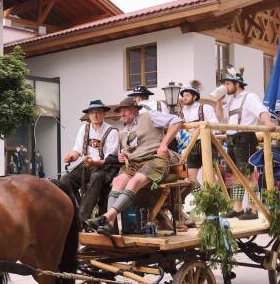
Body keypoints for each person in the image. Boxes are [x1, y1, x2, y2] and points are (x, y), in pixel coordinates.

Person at [87, 97, 183, 235]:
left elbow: (177, 121)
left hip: (154, 159)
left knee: (134, 182)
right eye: (120, 112)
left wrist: (164, 144)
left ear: (135, 111)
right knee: (117, 181)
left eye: (125, 111)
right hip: (135, 162)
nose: (122, 115)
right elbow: (130, 149)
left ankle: (106, 217)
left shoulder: (149, 116)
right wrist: (124, 154)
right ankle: (109, 224)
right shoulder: (123, 132)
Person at [219, 66, 276, 220]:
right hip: (231, 138)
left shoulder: (249, 96)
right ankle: (237, 208)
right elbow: (221, 118)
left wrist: (268, 122)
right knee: (235, 175)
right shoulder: (231, 100)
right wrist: (218, 101)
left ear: (237, 84)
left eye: (228, 84)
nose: (226, 87)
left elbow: (262, 111)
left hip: (245, 138)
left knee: (248, 174)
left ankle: (251, 209)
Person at [61, 100, 120, 227]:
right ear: (88, 115)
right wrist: (71, 157)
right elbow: (77, 151)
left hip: (105, 168)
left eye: (98, 112)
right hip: (86, 165)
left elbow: (110, 159)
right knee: (65, 180)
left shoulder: (112, 131)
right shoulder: (84, 128)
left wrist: (94, 162)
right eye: (92, 113)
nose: (95, 115)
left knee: (96, 177)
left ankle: (82, 220)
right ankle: (74, 210)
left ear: (103, 114)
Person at [179, 85, 219, 186]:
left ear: (195, 97)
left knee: (210, 175)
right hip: (192, 144)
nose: (184, 98)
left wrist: (203, 127)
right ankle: (201, 198)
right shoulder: (183, 112)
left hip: (207, 143)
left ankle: (213, 198)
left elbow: (215, 124)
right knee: (190, 178)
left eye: (187, 95)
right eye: (183, 96)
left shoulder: (205, 107)